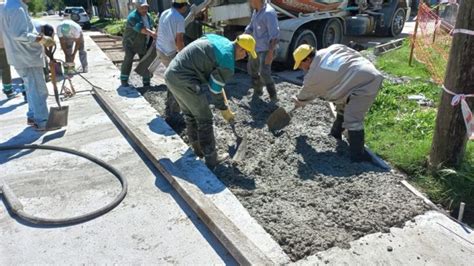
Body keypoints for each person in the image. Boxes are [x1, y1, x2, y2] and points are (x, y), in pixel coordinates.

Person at [164, 34, 257, 169]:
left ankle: (197, 149)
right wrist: (224, 109)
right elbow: (214, 89)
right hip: (184, 79)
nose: (244, 58)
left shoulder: (221, 41)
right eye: (246, 54)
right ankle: (211, 159)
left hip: (171, 74)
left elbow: (212, 72)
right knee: (205, 117)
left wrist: (219, 88)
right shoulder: (227, 61)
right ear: (241, 49)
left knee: (190, 114)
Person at [291, 44, 383, 162]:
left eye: (301, 65)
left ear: (308, 59)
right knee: (342, 105)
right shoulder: (331, 48)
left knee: (353, 118)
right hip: (366, 70)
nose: (301, 68)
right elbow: (353, 53)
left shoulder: (313, 76)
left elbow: (306, 93)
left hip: (367, 82)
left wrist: (299, 101)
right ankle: (335, 134)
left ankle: (358, 156)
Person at [0, 0, 55, 130]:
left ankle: (32, 116)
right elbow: (19, 34)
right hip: (26, 56)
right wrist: (41, 39)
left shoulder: (10, 5)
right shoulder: (16, 8)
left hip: (21, 56)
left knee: (30, 88)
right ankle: (42, 121)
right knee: (38, 90)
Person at [155, 0, 188, 124]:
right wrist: (185, 56)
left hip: (160, 50)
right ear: (183, 6)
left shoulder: (165, 12)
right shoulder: (179, 18)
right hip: (169, 53)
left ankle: (169, 105)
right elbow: (179, 41)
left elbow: (158, 30)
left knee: (171, 78)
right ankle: (174, 113)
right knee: (177, 81)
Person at [245, 0, 280, 102]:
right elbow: (251, 27)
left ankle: (273, 97)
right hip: (256, 48)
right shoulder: (256, 11)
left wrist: (270, 53)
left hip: (267, 49)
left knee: (264, 73)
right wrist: (242, 36)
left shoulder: (268, 13)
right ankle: (258, 91)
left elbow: (275, 36)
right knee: (252, 69)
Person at [120, 0, 156, 87]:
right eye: (142, 8)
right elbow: (141, 29)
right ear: (137, 7)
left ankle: (146, 82)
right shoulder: (133, 17)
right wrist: (153, 34)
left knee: (145, 61)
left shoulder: (148, 16)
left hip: (143, 43)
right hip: (130, 43)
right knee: (128, 59)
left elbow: (152, 26)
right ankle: (124, 80)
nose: (145, 9)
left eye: (146, 7)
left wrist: (154, 31)